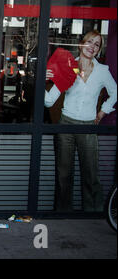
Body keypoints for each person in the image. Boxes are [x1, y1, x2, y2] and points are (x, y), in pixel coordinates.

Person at [44, 30, 117, 212]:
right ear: (81, 44)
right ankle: (63, 213)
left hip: (88, 126)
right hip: (66, 124)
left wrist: (102, 112)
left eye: (97, 44)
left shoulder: (102, 71)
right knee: (63, 174)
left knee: (91, 174)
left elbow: (116, 92)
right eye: (89, 42)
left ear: (99, 50)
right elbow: (49, 100)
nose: (92, 47)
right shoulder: (68, 67)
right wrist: (43, 80)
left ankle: (92, 214)